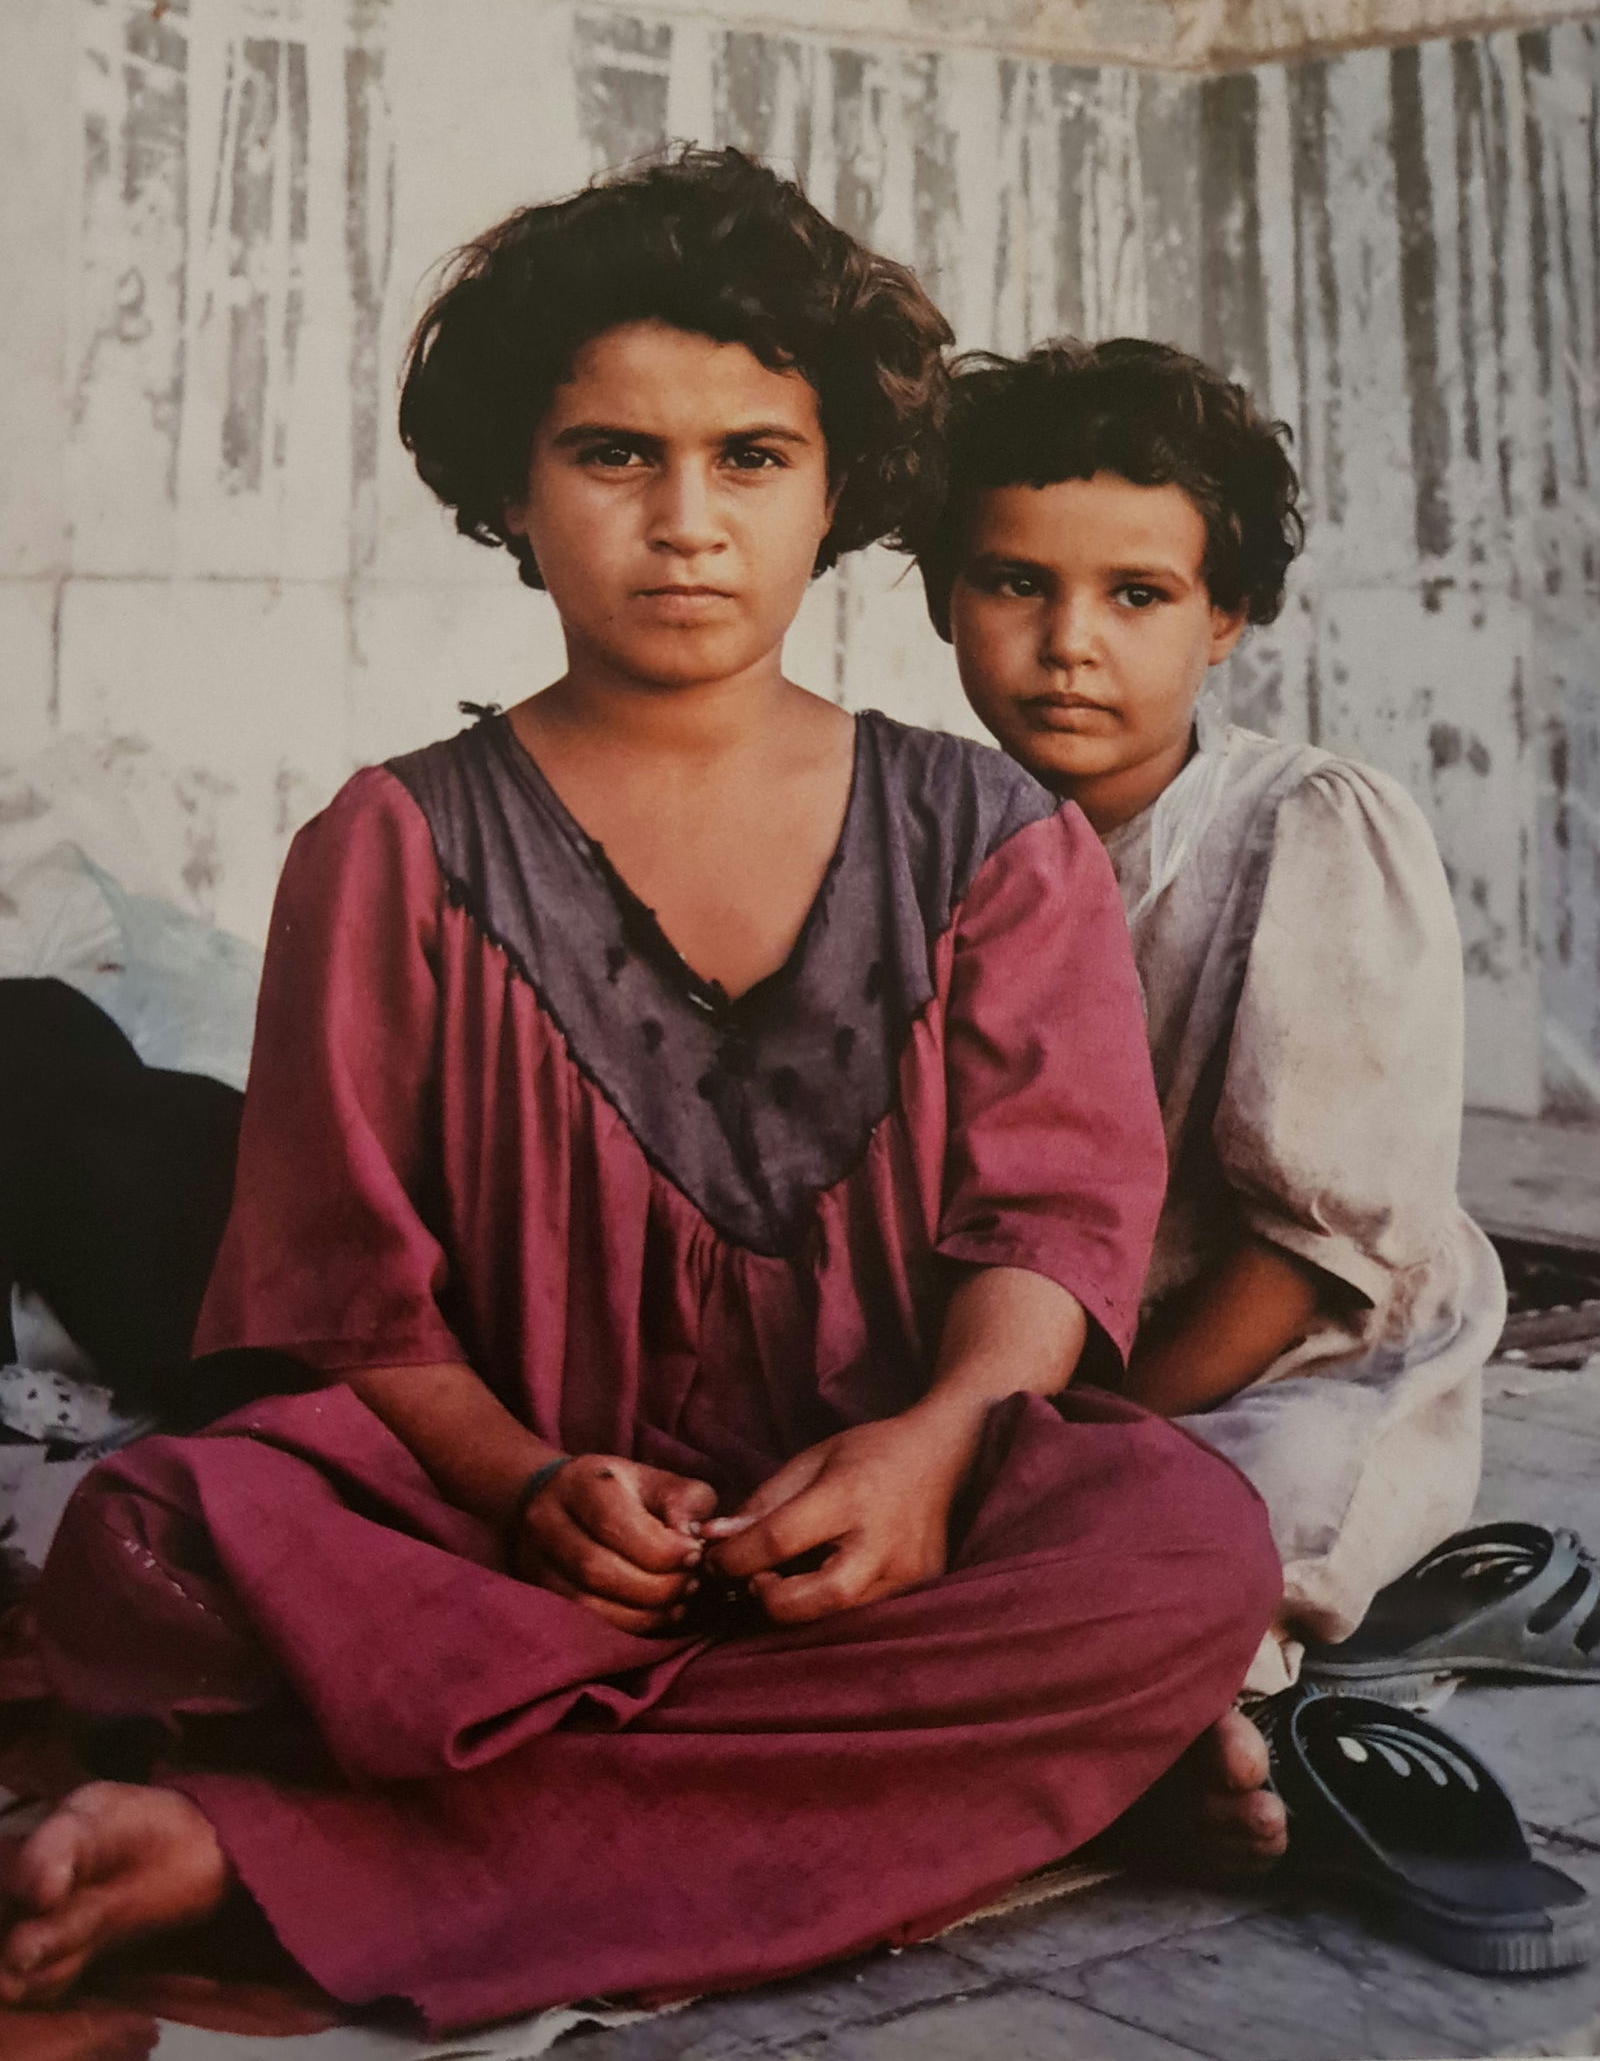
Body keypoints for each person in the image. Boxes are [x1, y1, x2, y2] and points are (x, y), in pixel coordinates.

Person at [0, 160, 1279, 2026]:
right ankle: (951, 1777)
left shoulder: (992, 837)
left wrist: (931, 1453)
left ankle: (270, 1853)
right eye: (614, 456)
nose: (688, 523)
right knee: (158, 1546)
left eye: (753, 458)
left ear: (839, 490)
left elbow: (1050, 1228)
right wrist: (527, 1489)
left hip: (888, 1540)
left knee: (1180, 1550)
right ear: (514, 491)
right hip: (519, 1547)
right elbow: (347, 1296)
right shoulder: (392, 845)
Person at [916, 336, 1506, 1856]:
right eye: (1014, 583)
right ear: (941, 597)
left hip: (1274, 1352)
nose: (1069, 644)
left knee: (1213, 1522)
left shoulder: (1300, 831)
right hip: (1034, 1351)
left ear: (1225, 616)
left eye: (1137, 595)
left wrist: (1078, 1430)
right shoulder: (924, 837)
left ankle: (1200, 1723)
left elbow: (1312, 1249)